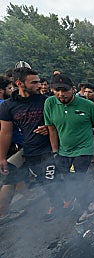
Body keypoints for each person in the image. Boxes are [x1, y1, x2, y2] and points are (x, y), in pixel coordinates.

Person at [44, 73, 94, 225]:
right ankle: (76, 198)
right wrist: (55, 151)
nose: (61, 94)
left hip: (84, 149)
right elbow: (51, 129)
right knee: (67, 179)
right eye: (57, 90)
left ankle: (90, 204)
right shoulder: (49, 103)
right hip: (63, 150)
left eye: (65, 90)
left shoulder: (88, 105)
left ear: (74, 89)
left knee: (76, 178)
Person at [0, 67, 52, 224]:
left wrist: (49, 128)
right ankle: (2, 215)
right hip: (22, 150)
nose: (40, 85)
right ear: (20, 83)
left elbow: (59, 122)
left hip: (45, 149)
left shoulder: (46, 100)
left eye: (39, 81)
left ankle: (59, 205)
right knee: (10, 179)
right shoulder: (8, 106)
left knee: (51, 180)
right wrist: (2, 157)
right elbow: (5, 132)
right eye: (34, 82)